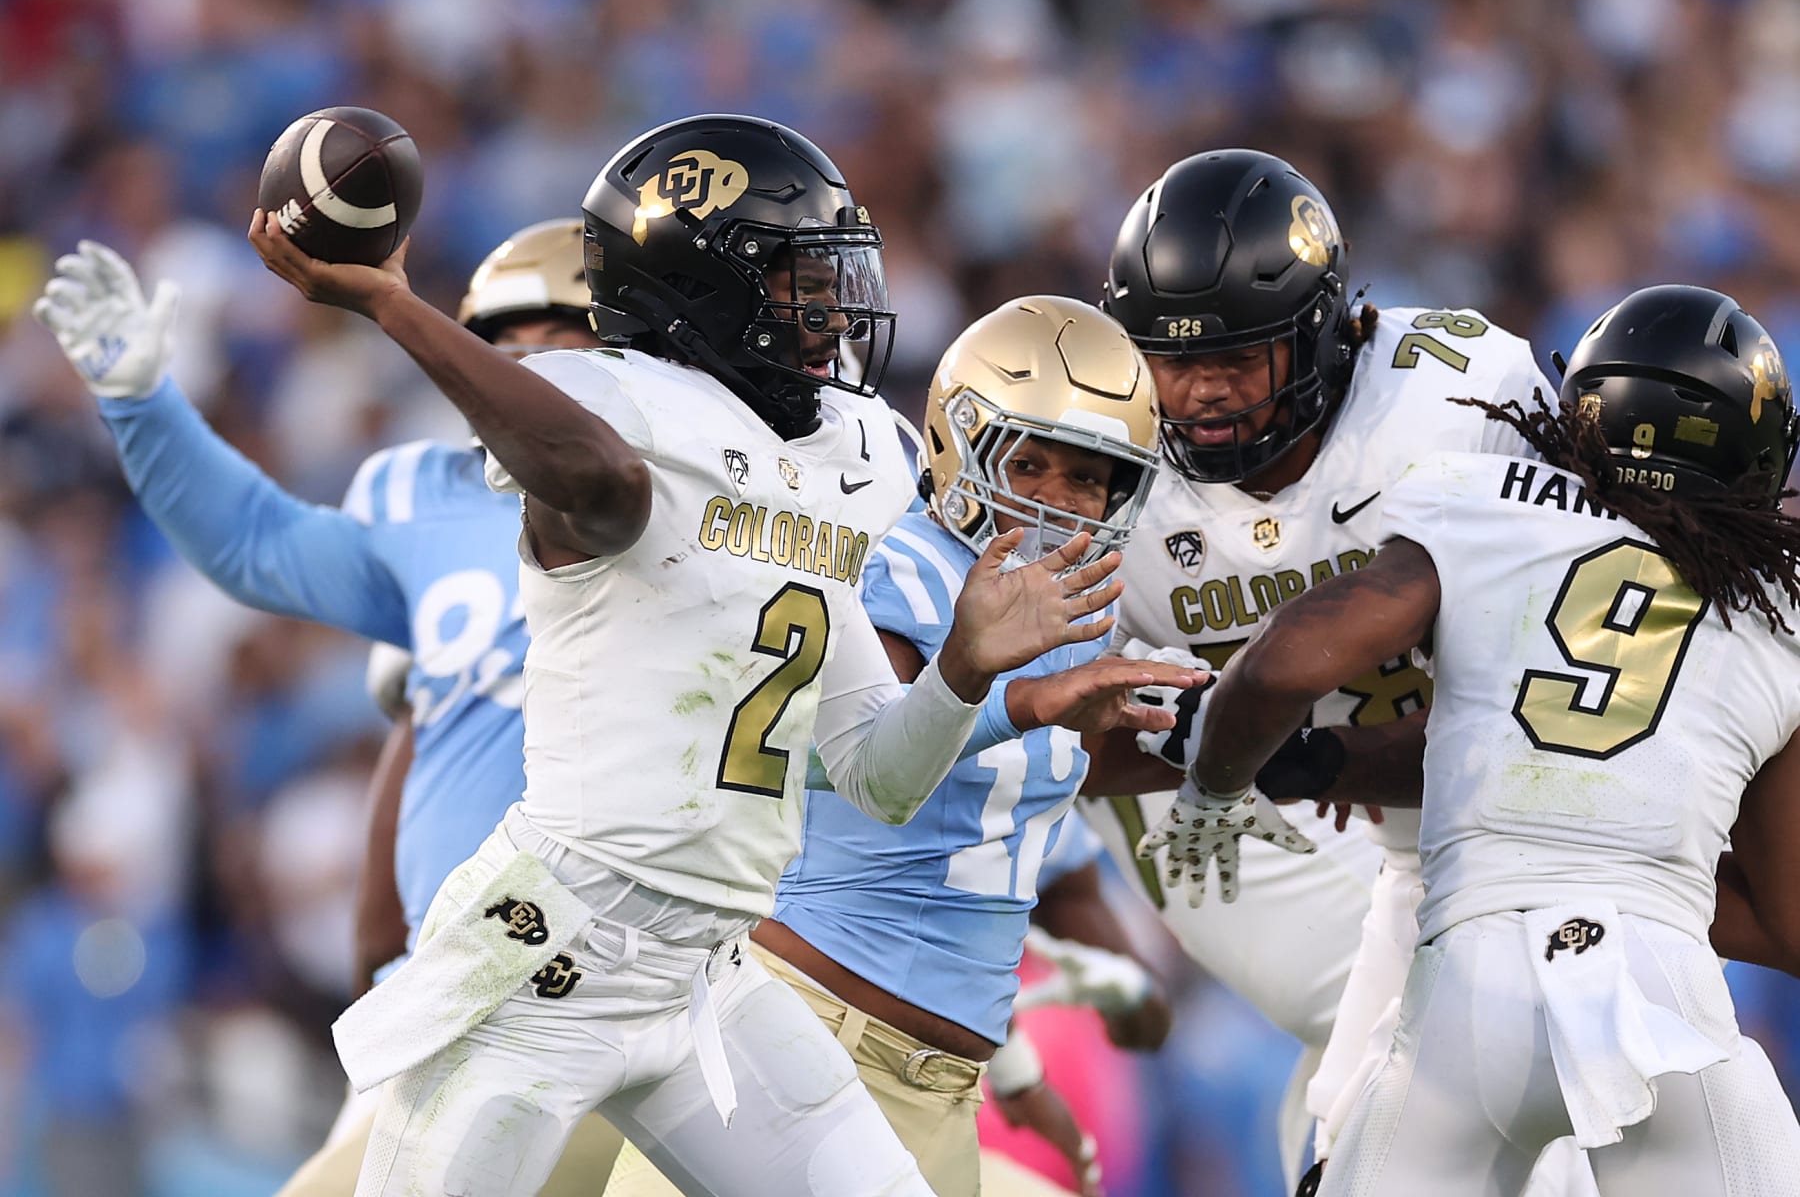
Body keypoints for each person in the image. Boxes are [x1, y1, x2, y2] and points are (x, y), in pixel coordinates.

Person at [239, 113, 1200, 1196]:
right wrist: (390, 304)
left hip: (710, 968)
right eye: (800, 279)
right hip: (555, 946)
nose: (833, 309)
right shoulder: (610, 403)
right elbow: (602, 482)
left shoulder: (855, 451)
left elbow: (878, 775)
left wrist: (966, 671)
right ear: (700, 284)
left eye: (835, 275)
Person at [32, 219, 633, 1194]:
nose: (527, 368)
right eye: (504, 344)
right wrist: (143, 403)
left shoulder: (693, 510)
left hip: (630, 972)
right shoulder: (428, 499)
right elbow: (259, 543)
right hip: (459, 980)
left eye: (563, 340)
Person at [1186, 283, 1800, 1196]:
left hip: (1463, 998)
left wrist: (1216, 776)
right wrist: (1637, 881)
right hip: (1661, 1000)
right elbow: (1789, 921)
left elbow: (1284, 667)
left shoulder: (1479, 498)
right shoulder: (1780, 608)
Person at [1076, 147, 1596, 1193]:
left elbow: (1560, 680)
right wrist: (1204, 742)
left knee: (1459, 1032)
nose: (1202, 392)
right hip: (1209, 796)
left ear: (1322, 331)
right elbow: (1061, 744)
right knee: (1420, 1018)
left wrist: (1335, 755)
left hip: (1439, 776)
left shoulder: (1460, 396)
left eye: (1238, 356)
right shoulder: (1097, 453)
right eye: (1170, 360)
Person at [599, 292, 1177, 1197]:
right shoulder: (901, 566)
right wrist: (1018, 701)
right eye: (1029, 464)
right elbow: (838, 760)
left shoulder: (1079, 619)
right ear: (960, 444)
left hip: (940, 1085)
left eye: (1088, 478)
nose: (1057, 501)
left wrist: (1017, 1072)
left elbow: (973, 871)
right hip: (802, 1036)